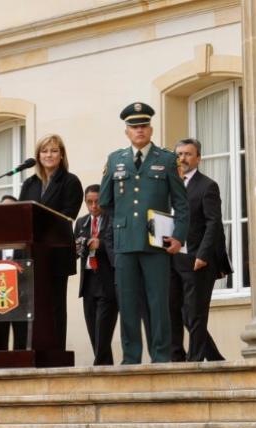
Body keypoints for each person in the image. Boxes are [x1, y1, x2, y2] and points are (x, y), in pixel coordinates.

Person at [97, 102, 187, 364]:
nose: (140, 131)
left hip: (156, 242)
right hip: (125, 243)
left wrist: (178, 236)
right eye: (134, 127)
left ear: (151, 128)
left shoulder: (168, 159)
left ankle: (161, 356)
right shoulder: (115, 160)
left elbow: (181, 203)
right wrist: (122, 225)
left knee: (159, 303)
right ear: (126, 131)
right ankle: (131, 358)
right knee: (128, 304)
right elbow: (105, 201)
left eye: (144, 125)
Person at [18, 134, 82, 349]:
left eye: (54, 151)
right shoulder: (30, 183)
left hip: (56, 254)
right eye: (45, 151)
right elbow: (21, 213)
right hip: (32, 256)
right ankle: (34, 350)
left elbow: (68, 216)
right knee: (34, 307)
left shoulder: (70, 181)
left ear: (61, 155)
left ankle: (55, 352)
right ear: (38, 156)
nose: (49, 155)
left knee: (54, 306)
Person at [170, 138, 231, 362]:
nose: (183, 158)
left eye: (187, 154)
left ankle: (194, 361)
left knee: (195, 314)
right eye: (179, 154)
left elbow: (213, 223)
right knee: (176, 312)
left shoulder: (207, 186)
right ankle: (207, 358)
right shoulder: (170, 185)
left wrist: (203, 255)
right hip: (172, 258)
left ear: (198, 158)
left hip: (197, 259)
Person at [74, 185, 117, 365]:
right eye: (89, 202)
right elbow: (75, 250)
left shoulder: (113, 219)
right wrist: (78, 247)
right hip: (89, 282)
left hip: (107, 282)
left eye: (97, 202)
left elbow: (117, 249)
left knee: (102, 332)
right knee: (94, 332)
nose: (93, 206)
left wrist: (101, 245)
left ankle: (98, 367)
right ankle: (106, 369)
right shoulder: (81, 222)